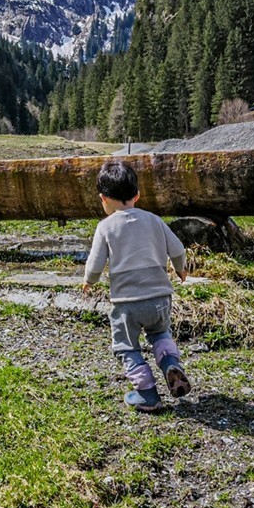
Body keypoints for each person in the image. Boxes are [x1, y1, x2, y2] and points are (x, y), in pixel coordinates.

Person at [82, 160, 191, 412]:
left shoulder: (105, 227)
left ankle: (147, 394)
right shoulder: (154, 220)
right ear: (137, 195)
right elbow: (177, 249)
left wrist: (89, 281)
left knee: (127, 346)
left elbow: (95, 264)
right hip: (160, 299)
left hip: (127, 304)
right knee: (160, 334)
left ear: (103, 199)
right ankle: (170, 364)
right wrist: (179, 268)